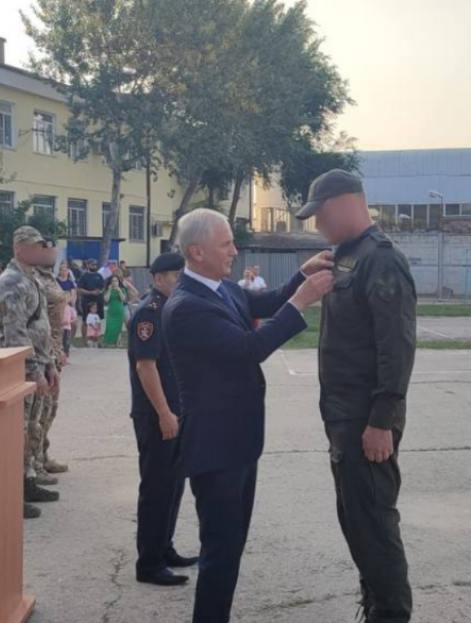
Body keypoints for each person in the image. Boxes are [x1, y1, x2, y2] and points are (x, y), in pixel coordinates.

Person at [162, 209, 334, 623]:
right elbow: (248, 348)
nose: (235, 251)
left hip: (237, 441)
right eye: (226, 244)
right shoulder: (187, 305)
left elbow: (263, 300)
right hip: (216, 446)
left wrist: (299, 276)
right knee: (220, 551)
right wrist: (302, 301)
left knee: (230, 545)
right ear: (196, 251)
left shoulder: (219, 288)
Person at [296, 169, 416, 623]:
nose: (317, 224)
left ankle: (390, 614)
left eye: (321, 214)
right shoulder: (345, 256)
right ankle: (375, 606)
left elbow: (396, 345)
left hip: (367, 420)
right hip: (344, 418)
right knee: (358, 524)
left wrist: (382, 420)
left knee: (375, 526)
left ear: (349, 203)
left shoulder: (380, 259)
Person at [129, 252, 199, 587]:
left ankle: (164, 547)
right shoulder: (150, 312)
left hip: (175, 409)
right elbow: (146, 367)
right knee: (157, 487)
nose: (180, 282)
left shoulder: (170, 308)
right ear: (158, 278)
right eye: (175, 277)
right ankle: (150, 563)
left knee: (173, 484)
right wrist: (164, 413)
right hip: (157, 413)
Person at [0, 226, 60, 519]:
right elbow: (15, 331)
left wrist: (50, 363)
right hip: (19, 368)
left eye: (41, 245)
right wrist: (34, 370)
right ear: (18, 247)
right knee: (17, 430)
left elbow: (41, 325)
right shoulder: (10, 281)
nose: (38, 250)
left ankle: (28, 479)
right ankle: (12, 490)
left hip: (39, 362)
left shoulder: (31, 278)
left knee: (33, 425)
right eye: (34, 246)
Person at [33, 238, 70, 484]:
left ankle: (43, 454)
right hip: (40, 352)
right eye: (48, 248)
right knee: (38, 410)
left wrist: (59, 348)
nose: (54, 251)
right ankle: (33, 464)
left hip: (54, 349)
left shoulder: (49, 276)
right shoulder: (30, 278)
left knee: (50, 408)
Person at [77, 259, 105, 342]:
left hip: (98, 301)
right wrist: (90, 292)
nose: (94, 266)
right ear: (88, 265)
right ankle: (85, 340)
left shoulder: (99, 276)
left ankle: (96, 339)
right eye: (92, 265)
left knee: (97, 320)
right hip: (87, 301)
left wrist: (100, 291)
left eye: (95, 265)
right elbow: (79, 289)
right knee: (85, 320)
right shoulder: (84, 277)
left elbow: (103, 287)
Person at [103, 275, 127, 347]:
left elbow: (123, 299)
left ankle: (118, 343)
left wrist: (119, 290)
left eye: (116, 281)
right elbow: (106, 300)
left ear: (118, 282)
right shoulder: (107, 290)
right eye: (112, 281)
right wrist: (110, 290)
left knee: (118, 328)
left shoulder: (122, 289)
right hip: (111, 312)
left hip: (119, 311)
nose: (114, 283)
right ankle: (108, 343)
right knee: (109, 327)